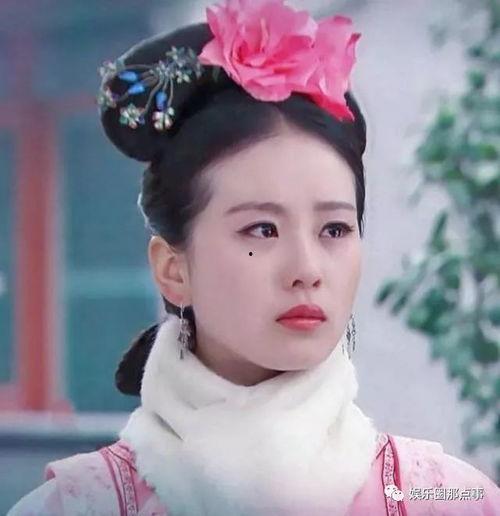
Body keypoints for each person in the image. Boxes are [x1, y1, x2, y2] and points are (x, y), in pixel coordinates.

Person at [8, 0, 500, 514]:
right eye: (262, 230)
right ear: (173, 269)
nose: (307, 270)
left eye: (334, 229)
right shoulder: (79, 506)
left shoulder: (443, 497)